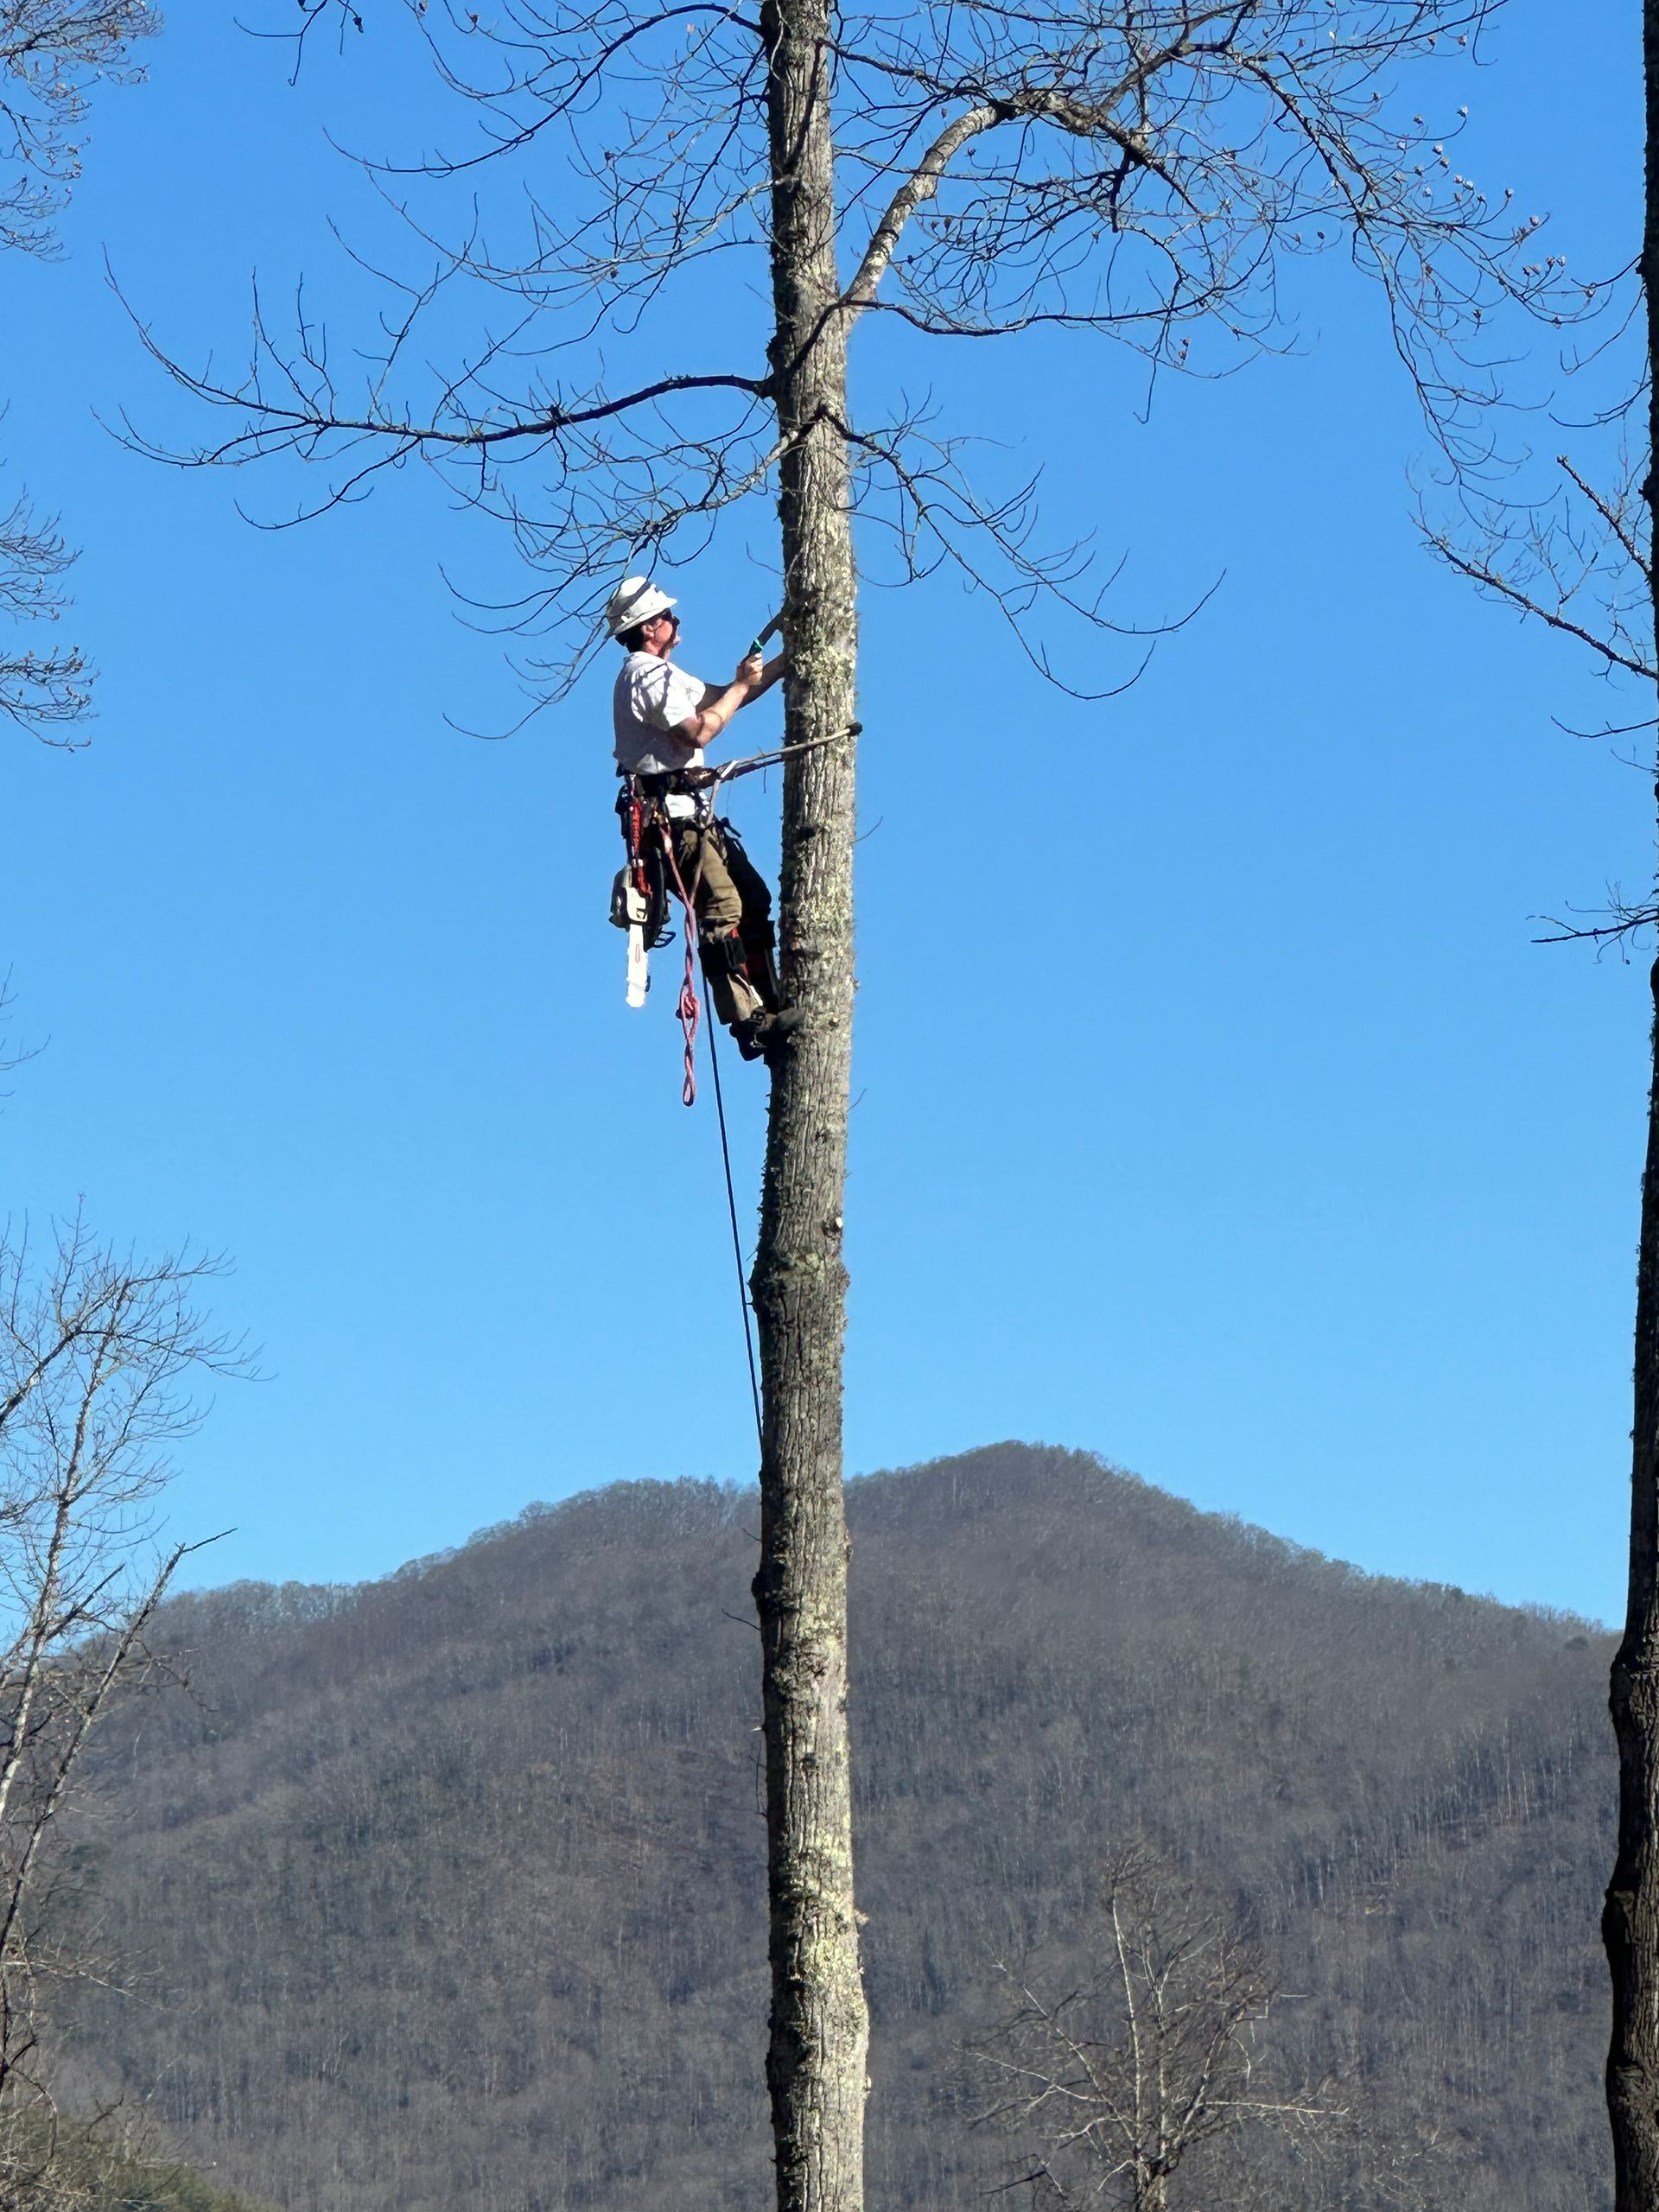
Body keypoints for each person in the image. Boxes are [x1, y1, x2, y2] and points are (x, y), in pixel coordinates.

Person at [607, 575, 802, 1065]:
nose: (677, 621)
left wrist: (779, 665)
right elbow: (700, 731)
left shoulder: (665, 676)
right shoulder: (644, 676)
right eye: (668, 616)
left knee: (753, 899)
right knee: (723, 908)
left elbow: (725, 697)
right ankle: (747, 1022)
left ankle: (771, 1002)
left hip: (695, 819)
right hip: (672, 824)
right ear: (650, 627)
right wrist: (739, 685)